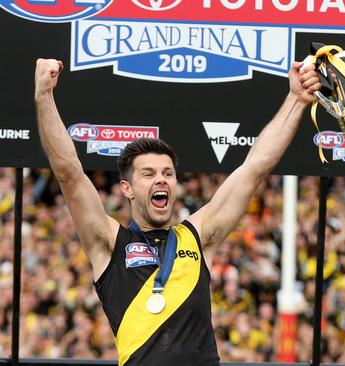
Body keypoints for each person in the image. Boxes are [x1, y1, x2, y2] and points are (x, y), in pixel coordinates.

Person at [34, 58, 320, 365]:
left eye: (167, 173)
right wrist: (44, 96)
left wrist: (296, 99)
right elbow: (69, 174)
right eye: (148, 174)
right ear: (127, 189)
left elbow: (255, 167)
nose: (161, 179)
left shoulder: (197, 237)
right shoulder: (109, 244)